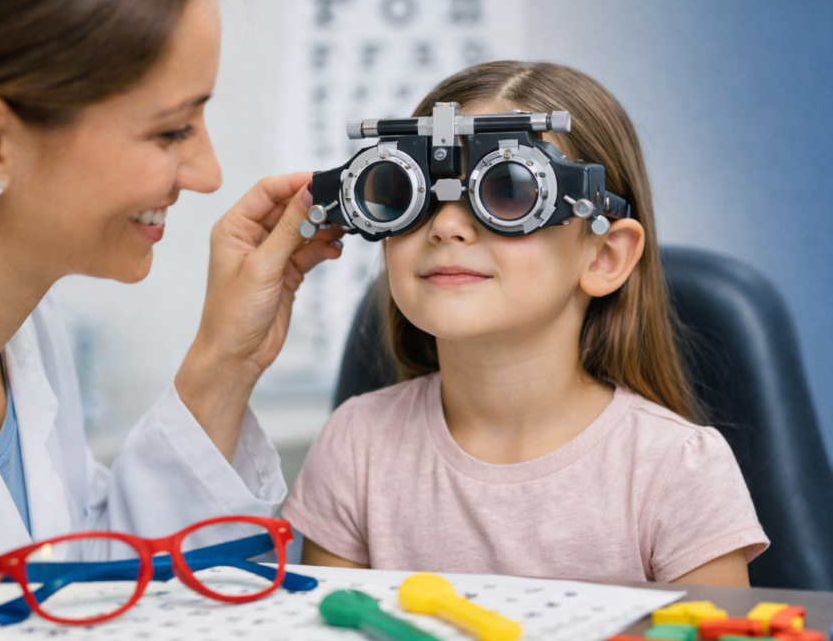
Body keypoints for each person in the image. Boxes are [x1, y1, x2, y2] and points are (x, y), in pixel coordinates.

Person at [284, 61, 767, 586]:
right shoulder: (358, 444)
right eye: (409, 193)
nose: (446, 225)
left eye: (508, 192)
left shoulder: (676, 471)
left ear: (604, 257)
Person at [0, 0, 344, 593]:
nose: (209, 173)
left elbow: (87, 585)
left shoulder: (28, 335)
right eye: (171, 130)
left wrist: (227, 359)